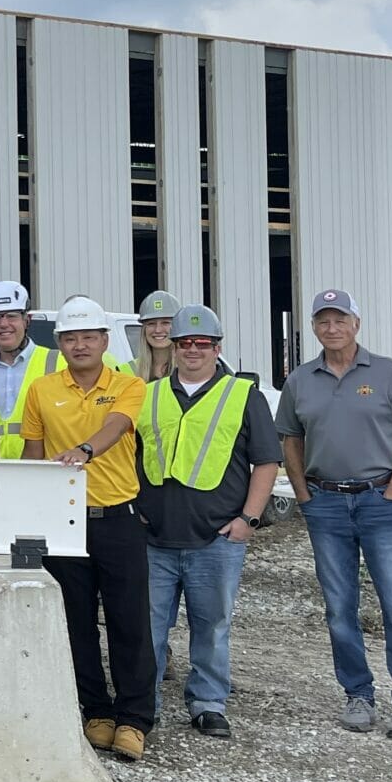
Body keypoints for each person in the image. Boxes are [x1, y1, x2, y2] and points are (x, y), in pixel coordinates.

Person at [277, 289, 392, 740]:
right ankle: (358, 693)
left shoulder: (387, 373)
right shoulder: (300, 381)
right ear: (315, 328)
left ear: (356, 324)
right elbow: (290, 441)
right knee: (340, 607)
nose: (332, 328)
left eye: (340, 319)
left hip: (379, 502)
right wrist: (304, 495)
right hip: (325, 504)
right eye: (323, 321)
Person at [22, 295, 154, 762]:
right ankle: (95, 712)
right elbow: (32, 454)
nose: (80, 345)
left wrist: (84, 449)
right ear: (59, 343)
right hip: (64, 523)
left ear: (103, 340)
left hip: (117, 517)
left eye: (88, 336)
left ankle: (135, 718)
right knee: (75, 621)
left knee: (129, 622)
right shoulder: (40, 389)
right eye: (70, 337)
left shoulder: (128, 384)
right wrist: (23, 509)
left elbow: (117, 427)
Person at [138, 305, 279, 739]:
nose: (193, 350)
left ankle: (208, 702)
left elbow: (267, 462)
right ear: (173, 347)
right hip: (154, 537)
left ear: (217, 349)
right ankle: (145, 704)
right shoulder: (150, 393)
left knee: (212, 625)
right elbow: (131, 453)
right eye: (185, 343)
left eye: (203, 344)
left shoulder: (244, 395)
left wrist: (248, 520)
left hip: (217, 537)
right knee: (148, 626)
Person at [0, 280, 56, 459]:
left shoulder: (57, 362)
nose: (3, 324)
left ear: (26, 320)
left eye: (11, 316)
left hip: (43, 473)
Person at [132, 290, 178, 382]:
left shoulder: (188, 369)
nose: (158, 330)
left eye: (165, 323)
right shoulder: (127, 371)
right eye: (151, 323)